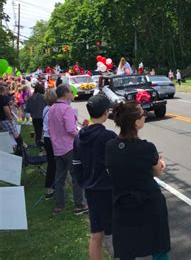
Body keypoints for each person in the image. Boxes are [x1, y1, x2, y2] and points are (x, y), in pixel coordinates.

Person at [105, 101, 170, 259]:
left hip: (122, 205)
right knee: (158, 248)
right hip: (150, 205)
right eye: (143, 114)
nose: (145, 115)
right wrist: (161, 163)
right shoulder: (147, 148)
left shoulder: (110, 147)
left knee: (127, 250)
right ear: (136, 122)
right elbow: (157, 172)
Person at [73, 95, 117, 259]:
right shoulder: (109, 137)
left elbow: (76, 165)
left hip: (91, 190)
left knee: (96, 234)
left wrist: (84, 182)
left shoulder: (79, 137)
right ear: (106, 113)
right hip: (108, 190)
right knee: (116, 233)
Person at [48, 84, 87, 215]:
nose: (72, 94)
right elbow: (71, 129)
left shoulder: (52, 108)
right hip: (69, 147)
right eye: (71, 92)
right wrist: (81, 134)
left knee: (59, 177)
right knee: (76, 176)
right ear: (65, 94)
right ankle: (79, 204)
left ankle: (59, 205)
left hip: (57, 147)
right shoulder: (66, 108)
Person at [0, 84, 26, 156]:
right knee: (15, 134)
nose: (6, 91)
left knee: (4, 135)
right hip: (5, 119)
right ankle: (22, 148)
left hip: (1, 120)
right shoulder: (3, 97)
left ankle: (7, 151)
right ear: (3, 91)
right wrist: (10, 118)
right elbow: (6, 109)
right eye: (5, 90)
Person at [42, 89, 57, 199]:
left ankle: (52, 186)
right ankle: (51, 187)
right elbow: (53, 128)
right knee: (53, 164)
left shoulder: (46, 108)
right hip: (51, 138)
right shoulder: (51, 110)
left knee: (52, 163)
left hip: (47, 138)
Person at [25, 83, 46, 147]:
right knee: (44, 131)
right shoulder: (44, 97)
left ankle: (38, 143)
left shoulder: (30, 98)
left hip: (34, 117)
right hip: (43, 117)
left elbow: (27, 109)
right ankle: (43, 143)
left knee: (37, 132)